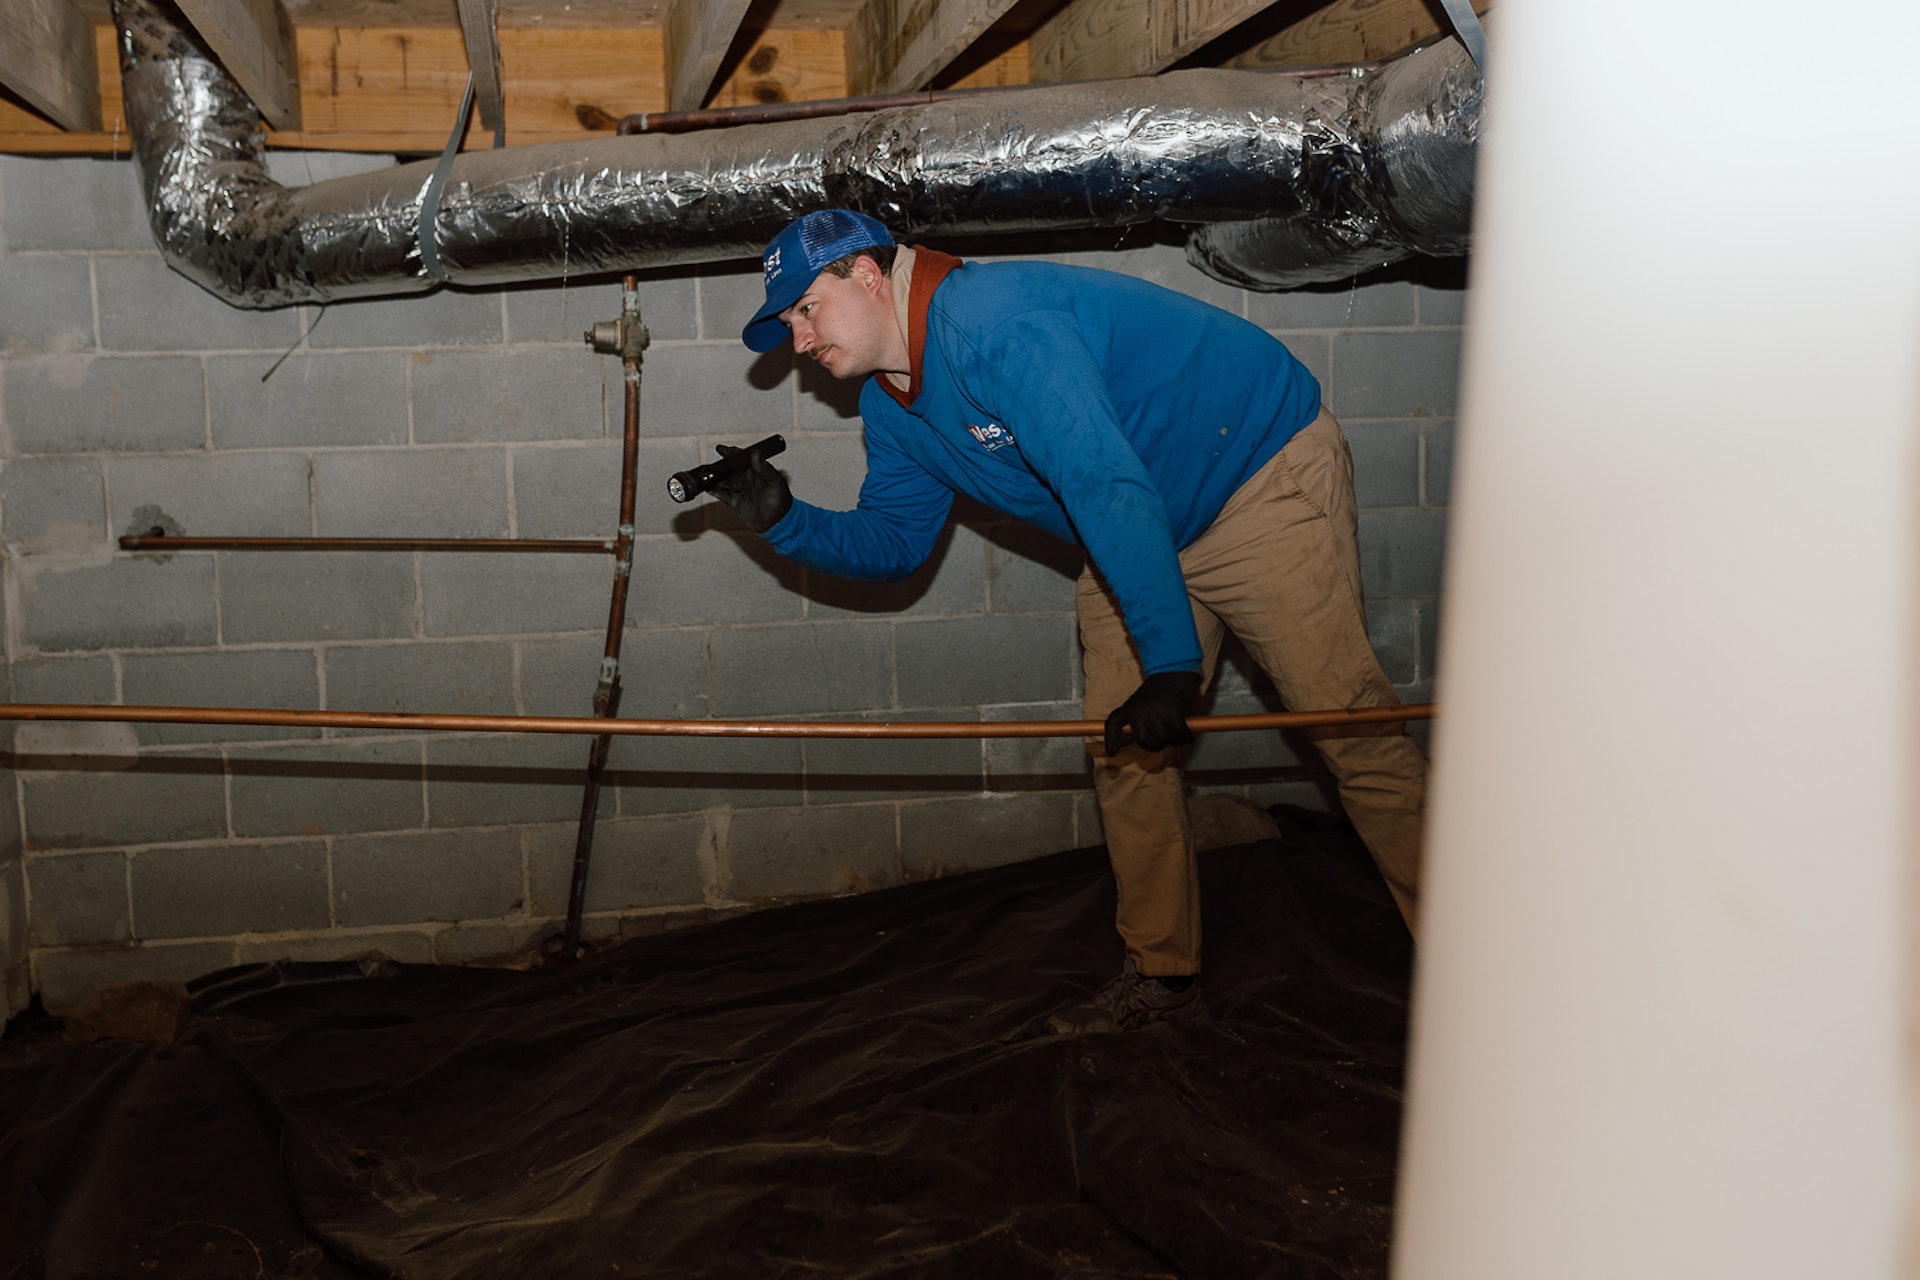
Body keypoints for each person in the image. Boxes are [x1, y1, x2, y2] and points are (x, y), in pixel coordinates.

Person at [712, 208, 1427, 1035]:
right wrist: (784, 518)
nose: (799, 342)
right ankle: (1164, 977)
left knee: (1354, 732)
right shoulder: (893, 409)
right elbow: (898, 544)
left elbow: (1098, 478)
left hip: (1254, 480)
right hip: (1135, 525)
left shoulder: (995, 322)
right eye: (791, 323)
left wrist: (1171, 662)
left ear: (866, 275)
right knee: (1126, 747)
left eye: (806, 310)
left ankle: (1482, 966)